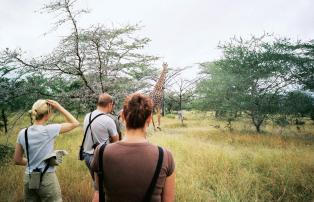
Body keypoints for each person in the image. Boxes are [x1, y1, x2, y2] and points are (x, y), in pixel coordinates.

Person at [91, 93, 176, 202]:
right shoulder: (165, 156)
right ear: (149, 119)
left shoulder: (102, 152)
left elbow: (98, 193)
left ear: (123, 117)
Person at [14, 99, 80, 201]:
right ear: (48, 113)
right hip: (47, 178)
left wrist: (34, 162)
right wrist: (59, 107)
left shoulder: (22, 133)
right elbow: (75, 123)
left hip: (29, 177)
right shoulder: (49, 130)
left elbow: (17, 160)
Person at [82, 93, 119, 182]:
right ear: (110, 104)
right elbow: (116, 142)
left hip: (87, 156)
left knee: (96, 185)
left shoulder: (87, 116)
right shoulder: (108, 120)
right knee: (105, 187)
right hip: (101, 158)